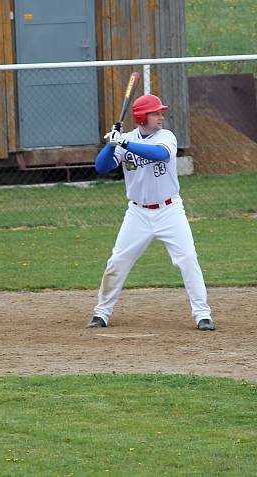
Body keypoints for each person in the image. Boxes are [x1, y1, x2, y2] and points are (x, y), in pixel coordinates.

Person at [87, 94, 215, 331]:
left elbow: (159, 154)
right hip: (137, 214)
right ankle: (101, 313)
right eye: (155, 113)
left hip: (170, 210)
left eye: (160, 112)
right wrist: (111, 142)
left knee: (188, 258)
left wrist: (123, 143)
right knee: (117, 262)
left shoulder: (166, 137)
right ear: (141, 117)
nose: (161, 117)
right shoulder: (125, 140)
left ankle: (202, 315)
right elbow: (101, 167)